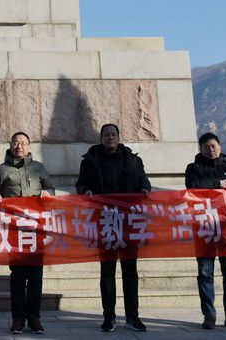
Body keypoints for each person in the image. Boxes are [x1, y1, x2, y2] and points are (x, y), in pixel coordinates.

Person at [75, 123, 151, 333]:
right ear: (101, 138)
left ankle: (132, 317)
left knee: (130, 272)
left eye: (113, 134)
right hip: (105, 221)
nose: (110, 137)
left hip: (128, 222)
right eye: (107, 134)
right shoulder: (90, 161)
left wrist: (145, 188)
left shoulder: (133, 160)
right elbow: (81, 184)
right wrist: (86, 191)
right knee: (107, 271)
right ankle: (109, 317)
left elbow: (143, 179)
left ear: (118, 137)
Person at [0, 132, 55, 335]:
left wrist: (48, 193)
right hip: (14, 229)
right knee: (17, 276)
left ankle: (34, 318)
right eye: (16, 143)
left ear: (29, 147)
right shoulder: (2, 169)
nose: (19, 146)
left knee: (36, 276)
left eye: (23, 143)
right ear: (10, 145)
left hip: (35, 229)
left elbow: (51, 189)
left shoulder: (39, 168)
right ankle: (18, 318)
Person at [184, 132, 226, 331]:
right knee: (205, 274)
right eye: (206, 147)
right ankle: (209, 315)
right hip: (204, 227)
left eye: (213, 146)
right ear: (201, 149)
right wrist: (217, 184)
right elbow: (192, 187)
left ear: (220, 146)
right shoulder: (193, 169)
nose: (210, 149)